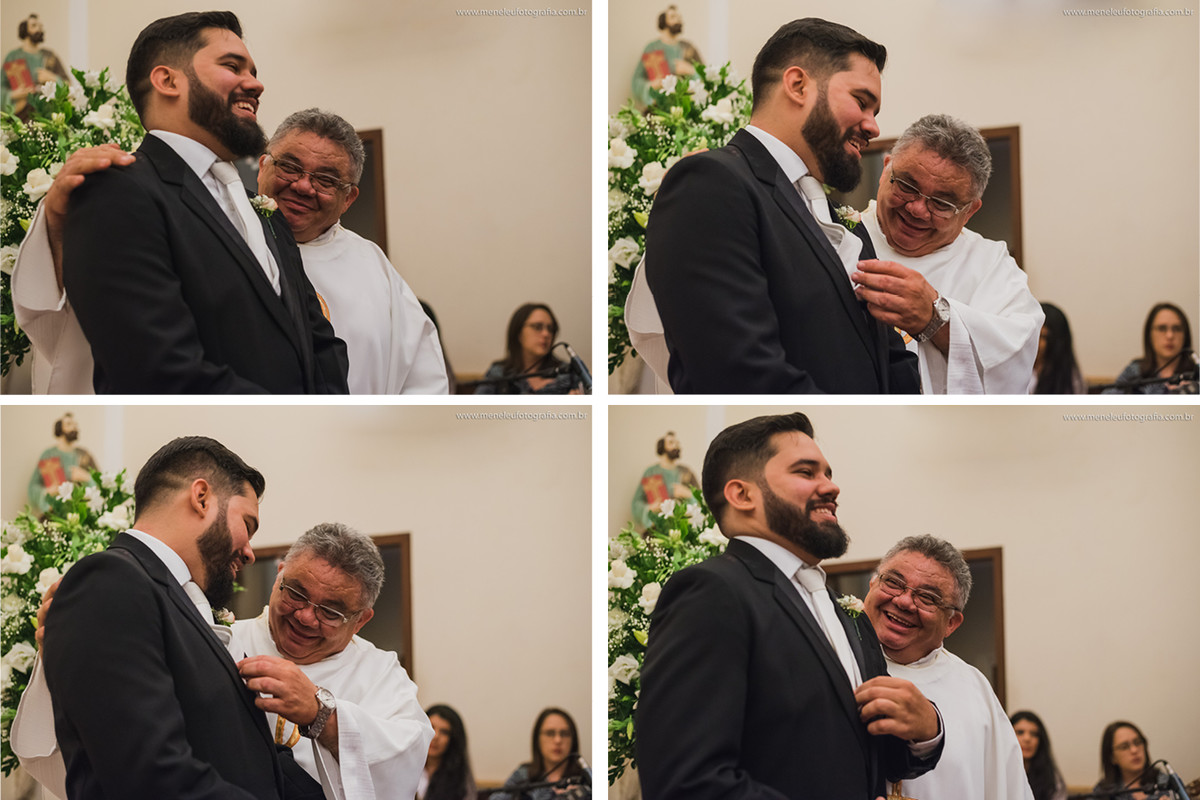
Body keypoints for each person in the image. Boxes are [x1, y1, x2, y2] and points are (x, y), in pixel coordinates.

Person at [12, 107, 447, 395]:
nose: (302, 186)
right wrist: (57, 218)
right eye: (290, 166)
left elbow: (424, 380)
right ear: (263, 167)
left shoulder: (375, 268)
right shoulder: (199, 230)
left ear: (349, 198)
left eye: (326, 179)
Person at [636, 412, 942, 798]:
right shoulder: (713, 592)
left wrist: (927, 730)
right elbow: (685, 782)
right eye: (806, 472)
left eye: (828, 473)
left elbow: (876, 757)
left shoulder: (846, 614)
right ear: (742, 494)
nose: (831, 487)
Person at [15, 521, 434, 800]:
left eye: (331, 611)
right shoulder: (217, 637)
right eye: (296, 593)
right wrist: (71, 644)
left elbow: (406, 756)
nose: (305, 616)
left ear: (362, 620)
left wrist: (321, 714)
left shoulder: (382, 674)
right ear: (279, 574)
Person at [51, 12, 349, 392]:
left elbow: (319, 343)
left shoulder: (263, 210)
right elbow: (157, 373)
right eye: (232, 66)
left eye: (253, 71)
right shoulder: (115, 191)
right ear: (167, 80)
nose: (255, 84)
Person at [630, 18, 919, 394]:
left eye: (875, 112)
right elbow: (736, 372)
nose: (873, 126)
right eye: (861, 102)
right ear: (797, 85)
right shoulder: (710, 183)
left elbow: (886, 355)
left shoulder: (835, 216)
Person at [35, 436, 322, 798]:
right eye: (247, 525)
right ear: (201, 497)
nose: (249, 552)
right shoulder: (108, 581)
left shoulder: (182, 602)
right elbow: (150, 775)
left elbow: (255, 762)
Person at [854, 114, 1044, 393]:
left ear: (969, 212)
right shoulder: (840, 236)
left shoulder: (992, 267)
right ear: (886, 170)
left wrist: (934, 319)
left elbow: (1013, 359)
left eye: (942, 203)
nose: (917, 209)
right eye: (907, 186)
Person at [862, 535, 1033, 800]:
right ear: (873, 584)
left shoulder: (974, 690)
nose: (905, 602)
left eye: (928, 598)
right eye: (894, 583)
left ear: (951, 623)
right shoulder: (835, 657)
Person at [474, 303, 587, 394]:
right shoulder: (499, 373)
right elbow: (475, 411)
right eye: (537, 327)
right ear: (518, 333)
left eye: (550, 329)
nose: (546, 334)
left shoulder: (569, 373)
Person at [493, 708, 591, 800]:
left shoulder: (586, 778)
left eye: (564, 734)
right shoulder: (523, 775)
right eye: (550, 733)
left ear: (573, 740)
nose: (558, 740)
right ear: (537, 739)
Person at [1104, 303, 1196, 394]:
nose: (1170, 335)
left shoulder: (1196, 373)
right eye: (1162, 328)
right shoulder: (1135, 371)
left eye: (1177, 329)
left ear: (1185, 335)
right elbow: (1105, 403)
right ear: (1149, 334)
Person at [631, 6, 703, 108]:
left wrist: (690, 70)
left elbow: (704, 78)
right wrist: (651, 85)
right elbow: (636, 81)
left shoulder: (689, 49)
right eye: (673, 17)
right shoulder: (652, 48)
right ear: (663, 22)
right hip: (659, 106)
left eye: (679, 17)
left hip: (685, 107)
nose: (678, 19)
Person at [26, 412, 98, 514]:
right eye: (69, 424)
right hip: (55, 513)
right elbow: (32, 487)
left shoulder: (85, 455)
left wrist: (86, 477)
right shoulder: (48, 455)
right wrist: (47, 491)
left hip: (81, 514)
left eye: (75, 425)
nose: (74, 427)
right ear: (59, 429)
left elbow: (100, 486)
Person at [2, 14, 68, 119]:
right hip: (21, 113)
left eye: (40, 26)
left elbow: (67, 85)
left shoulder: (50, 56)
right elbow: (1, 87)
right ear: (24, 30)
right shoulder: (13, 56)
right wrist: (13, 94)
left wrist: (52, 78)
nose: (39, 29)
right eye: (34, 26)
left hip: (47, 114)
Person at [631, 431, 698, 530]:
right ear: (662, 447)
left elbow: (702, 500)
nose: (676, 446)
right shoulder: (651, 472)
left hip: (682, 528)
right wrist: (649, 508)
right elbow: (636, 503)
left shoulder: (686, 473)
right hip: (657, 528)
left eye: (677, 443)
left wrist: (688, 494)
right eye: (671, 443)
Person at [1093, 721, 1167, 800]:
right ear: (1112, 757)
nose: (1134, 750)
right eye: (1124, 747)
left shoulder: (1165, 782)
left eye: (1138, 742)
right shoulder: (1103, 793)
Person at [418, 704, 476, 800]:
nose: (435, 736)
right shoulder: (405, 766)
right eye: (431, 727)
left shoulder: (461, 778)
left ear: (452, 739)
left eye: (444, 732)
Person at [1010, 710, 1068, 800]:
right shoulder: (1000, 772)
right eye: (1020, 732)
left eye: (1034, 734)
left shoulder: (1051, 777)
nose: (1027, 739)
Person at [1030, 303, 1086, 394]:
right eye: (1034, 335)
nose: (1036, 342)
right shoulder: (1016, 368)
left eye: (1043, 337)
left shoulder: (1069, 379)